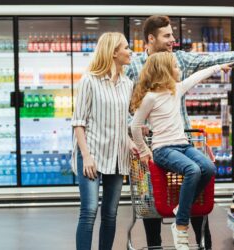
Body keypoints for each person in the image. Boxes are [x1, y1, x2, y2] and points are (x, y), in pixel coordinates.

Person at [125, 15, 234, 249]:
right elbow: (125, 106)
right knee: (153, 203)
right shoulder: (134, 65)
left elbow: (212, 60)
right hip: (152, 145)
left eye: (172, 35)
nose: (172, 40)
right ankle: (156, 244)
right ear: (150, 38)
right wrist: (137, 129)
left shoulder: (181, 60)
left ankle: (199, 241)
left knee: (198, 185)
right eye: (167, 36)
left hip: (183, 138)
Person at [130, 51, 232, 250]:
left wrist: (219, 67)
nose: (179, 70)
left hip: (183, 145)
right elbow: (135, 126)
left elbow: (196, 77)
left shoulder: (176, 89)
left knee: (208, 168)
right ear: (164, 71)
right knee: (192, 170)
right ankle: (180, 225)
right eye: (176, 66)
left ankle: (181, 208)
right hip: (162, 149)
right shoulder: (150, 98)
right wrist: (143, 150)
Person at [71, 32, 138, 250]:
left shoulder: (127, 84)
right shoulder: (89, 80)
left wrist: (131, 143)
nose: (130, 52)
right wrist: (86, 156)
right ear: (113, 52)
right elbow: (78, 122)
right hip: (92, 154)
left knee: (110, 213)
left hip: (117, 157)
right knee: (89, 210)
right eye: (126, 47)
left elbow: (122, 124)